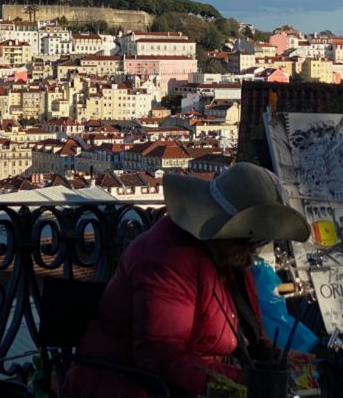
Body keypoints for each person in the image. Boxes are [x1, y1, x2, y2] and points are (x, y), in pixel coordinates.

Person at [63, 162, 310, 398]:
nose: (254, 249)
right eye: (249, 239)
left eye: (260, 240)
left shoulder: (230, 255)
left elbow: (249, 335)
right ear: (227, 232)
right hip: (130, 386)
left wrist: (276, 359)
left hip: (194, 384)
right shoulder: (168, 258)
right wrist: (245, 381)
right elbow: (161, 356)